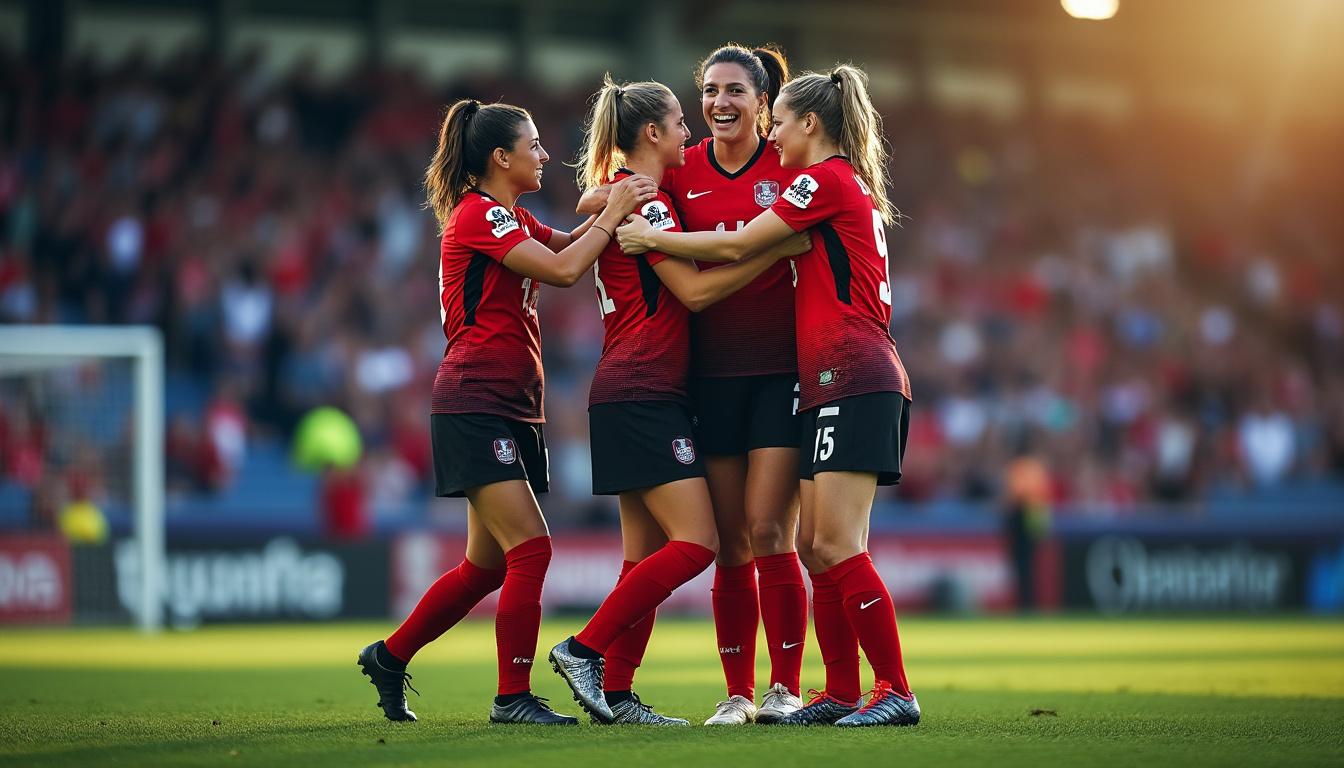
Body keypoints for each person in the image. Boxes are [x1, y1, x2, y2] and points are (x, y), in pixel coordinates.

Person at [617, 64, 921, 727]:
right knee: (816, 545)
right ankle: (841, 691)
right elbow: (612, 186)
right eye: (710, 92)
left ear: (804, 122)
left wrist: (653, 239)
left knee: (825, 543)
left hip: (847, 373)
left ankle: (892, 688)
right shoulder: (824, 179)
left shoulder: (819, 178)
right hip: (825, 378)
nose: (771, 133)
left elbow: (745, 242)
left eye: (776, 118)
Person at [357, 98, 655, 726]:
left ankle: (389, 656)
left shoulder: (509, 216)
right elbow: (568, 269)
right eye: (536, 145)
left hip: (511, 404)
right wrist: (618, 210)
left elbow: (573, 242)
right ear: (501, 157)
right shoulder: (478, 217)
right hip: (477, 400)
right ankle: (511, 698)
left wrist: (609, 200)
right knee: (533, 549)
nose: (545, 155)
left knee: (484, 566)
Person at [548, 76, 809, 726]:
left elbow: (596, 200)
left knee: (641, 558)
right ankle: (584, 649)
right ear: (653, 135)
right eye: (679, 123)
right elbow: (692, 295)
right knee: (699, 542)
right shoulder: (652, 202)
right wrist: (774, 250)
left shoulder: (623, 193)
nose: (691, 132)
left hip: (621, 389)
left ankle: (618, 693)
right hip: (644, 391)